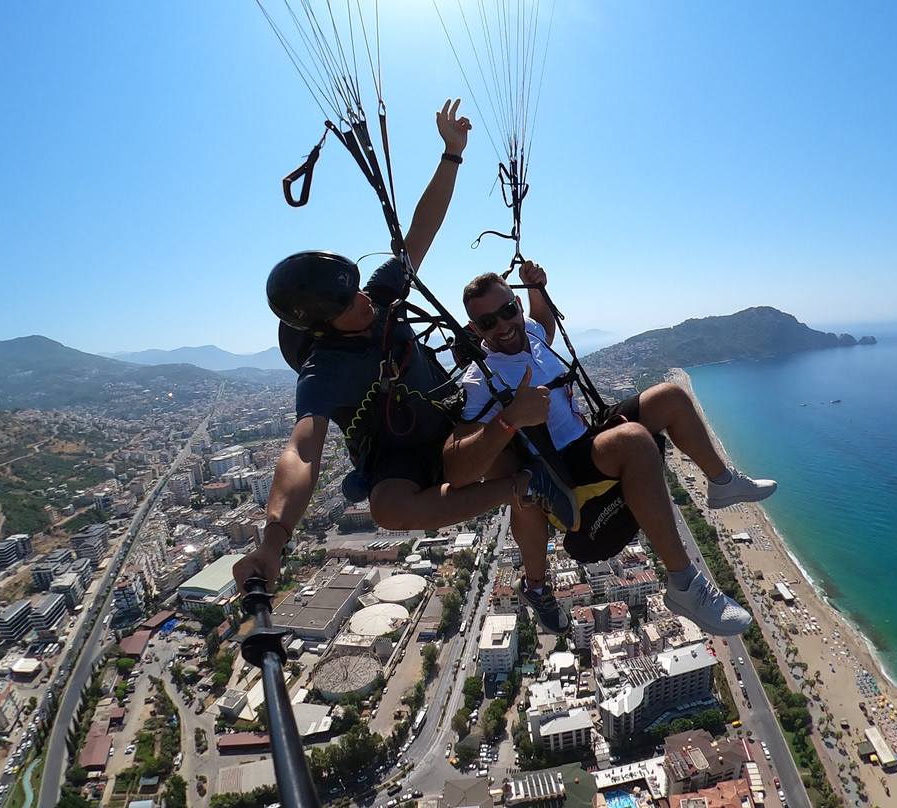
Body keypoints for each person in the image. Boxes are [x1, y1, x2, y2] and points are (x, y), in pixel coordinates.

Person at [232, 101, 576, 595]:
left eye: (357, 292)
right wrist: (273, 539)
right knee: (387, 510)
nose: (363, 304)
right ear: (324, 328)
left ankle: (534, 534)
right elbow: (302, 450)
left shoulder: (380, 296)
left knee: (499, 446)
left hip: (448, 419)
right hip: (397, 456)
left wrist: (451, 154)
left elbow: (420, 231)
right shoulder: (324, 370)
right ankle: (523, 488)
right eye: (348, 305)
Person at [443, 261, 778, 636]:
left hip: (587, 436)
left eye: (508, 310)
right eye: (488, 322)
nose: (503, 326)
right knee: (633, 440)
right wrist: (510, 418)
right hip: (561, 467)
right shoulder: (480, 381)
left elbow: (543, 323)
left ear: (517, 306)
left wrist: (535, 286)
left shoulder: (532, 331)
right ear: (476, 330)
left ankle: (722, 482)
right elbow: (457, 471)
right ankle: (684, 584)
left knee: (671, 397)